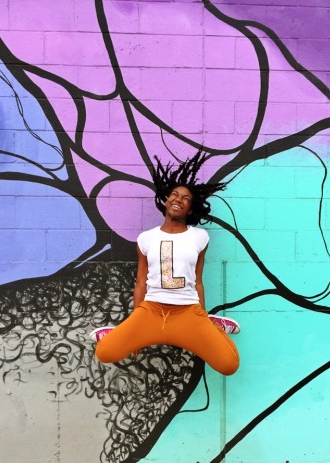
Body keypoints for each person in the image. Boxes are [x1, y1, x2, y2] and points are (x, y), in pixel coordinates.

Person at [90, 151, 240, 376]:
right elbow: (141, 283)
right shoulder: (146, 238)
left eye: (186, 198)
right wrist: (134, 329)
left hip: (187, 311)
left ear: (190, 209)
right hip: (151, 310)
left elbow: (197, 281)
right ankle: (119, 333)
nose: (178, 199)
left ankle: (214, 326)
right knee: (104, 353)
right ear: (166, 199)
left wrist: (202, 315)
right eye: (174, 194)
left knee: (229, 366)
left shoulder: (200, 237)